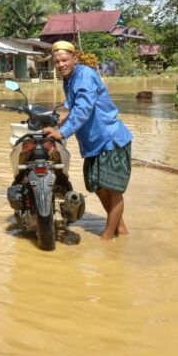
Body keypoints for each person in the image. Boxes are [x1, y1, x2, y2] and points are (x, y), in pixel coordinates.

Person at [42, 41, 133, 240]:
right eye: (57, 61)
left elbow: (84, 108)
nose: (61, 64)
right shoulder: (68, 79)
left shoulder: (84, 76)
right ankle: (121, 230)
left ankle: (107, 239)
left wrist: (63, 133)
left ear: (75, 58)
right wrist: (58, 126)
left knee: (113, 189)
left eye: (65, 60)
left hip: (110, 139)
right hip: (92, 144)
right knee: (98, 187)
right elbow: (74, 109)